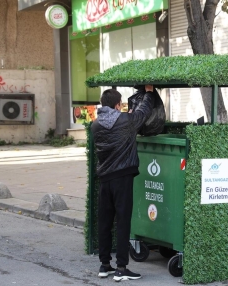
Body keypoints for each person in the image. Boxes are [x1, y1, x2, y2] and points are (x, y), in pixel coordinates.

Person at [91, 85, 154, 281]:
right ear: (118, 105)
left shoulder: (95, 124)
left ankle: (104, 265)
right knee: (123, 220)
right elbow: (143, 113)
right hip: (123, 177)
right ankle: (121, 268)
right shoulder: (126, 120)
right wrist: (149, 93)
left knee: (105, 221)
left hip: (105, 178)